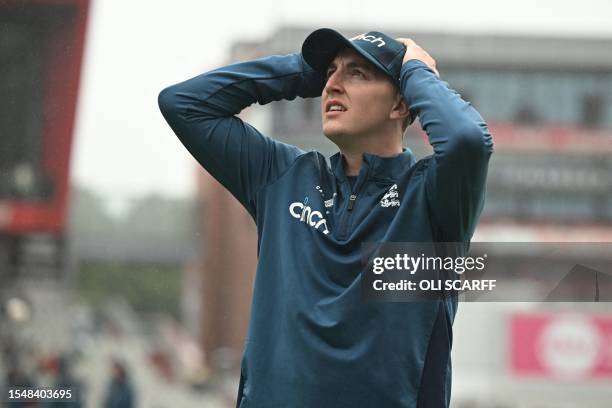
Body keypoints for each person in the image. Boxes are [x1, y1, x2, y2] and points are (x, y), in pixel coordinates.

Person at [159, 28, 493, 408]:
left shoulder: (434, 198)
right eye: (330, 73)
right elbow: (183, 103)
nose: (332, 85)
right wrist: (307, 70)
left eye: (357, 74)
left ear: (400, 105)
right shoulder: (281, 176)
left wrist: (417, 71)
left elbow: (467, 139)